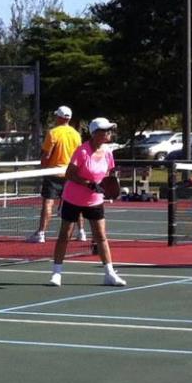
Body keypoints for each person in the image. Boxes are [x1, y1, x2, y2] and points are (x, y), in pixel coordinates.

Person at [49, 118, 126, 288]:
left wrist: (110, 186)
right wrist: (88, 184)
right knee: (65, 235)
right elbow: (69, 174)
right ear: (95, 133)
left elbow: (109, 173)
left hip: (95, 200)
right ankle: (56, 273)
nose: (108, 133)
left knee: (101, 236)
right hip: (73, 198)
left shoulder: (108, 152)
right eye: (105, 130)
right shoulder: (82, 151)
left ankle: (109, 274)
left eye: (109, 130)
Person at [33, 105, 85, 243]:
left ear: (59, 117)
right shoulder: (76, 134)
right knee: (76, 203)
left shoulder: (53, 133)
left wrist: (43, 167)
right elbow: (79, 155)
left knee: (48, 203)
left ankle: (41, 234)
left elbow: (46, 154)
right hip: (70, 174)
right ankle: (81, 232)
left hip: (54, 174)